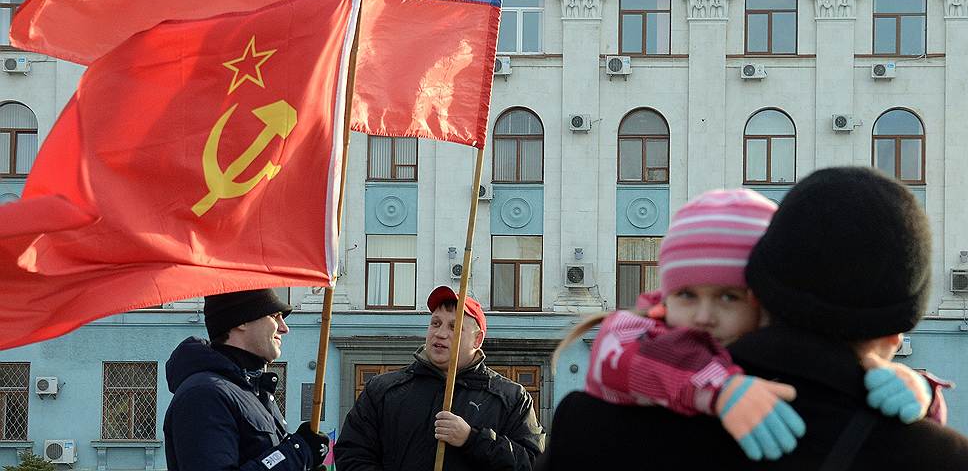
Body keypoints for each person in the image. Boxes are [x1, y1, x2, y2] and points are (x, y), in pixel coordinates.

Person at [538, 167, 968, 470]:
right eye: (687, 295)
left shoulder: (590, 424)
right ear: (896, 334)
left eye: (727, 297)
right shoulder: (935, 455)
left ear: (761, 293)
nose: (704, 318)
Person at [336, 285, 545, 470]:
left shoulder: (511, 398)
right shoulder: (383, 390)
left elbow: (531, 462)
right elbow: (352, 454)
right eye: (436, 323)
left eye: (454, 327)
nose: (440, 334)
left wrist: (472, 438)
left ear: (477, 340)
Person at [164, 288, 331, 471]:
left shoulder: (251, 391)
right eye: (274, 316)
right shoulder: (204, 394)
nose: (284, 328)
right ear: (242, 320)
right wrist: (297, 453)